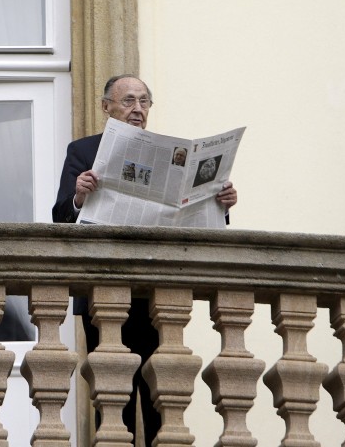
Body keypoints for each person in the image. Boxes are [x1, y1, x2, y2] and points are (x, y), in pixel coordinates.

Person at [52, 74, 238, 444]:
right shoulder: (83, 151)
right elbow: (60, 217)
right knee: (113, 395)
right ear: (106, 107)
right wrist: (78, 196)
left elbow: (191, 220)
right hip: (103, 294)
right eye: (128, 101)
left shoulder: (172, 156)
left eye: (144, 102)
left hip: (158, 295)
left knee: (160, 394)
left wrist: (222, 204)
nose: (137, 109)